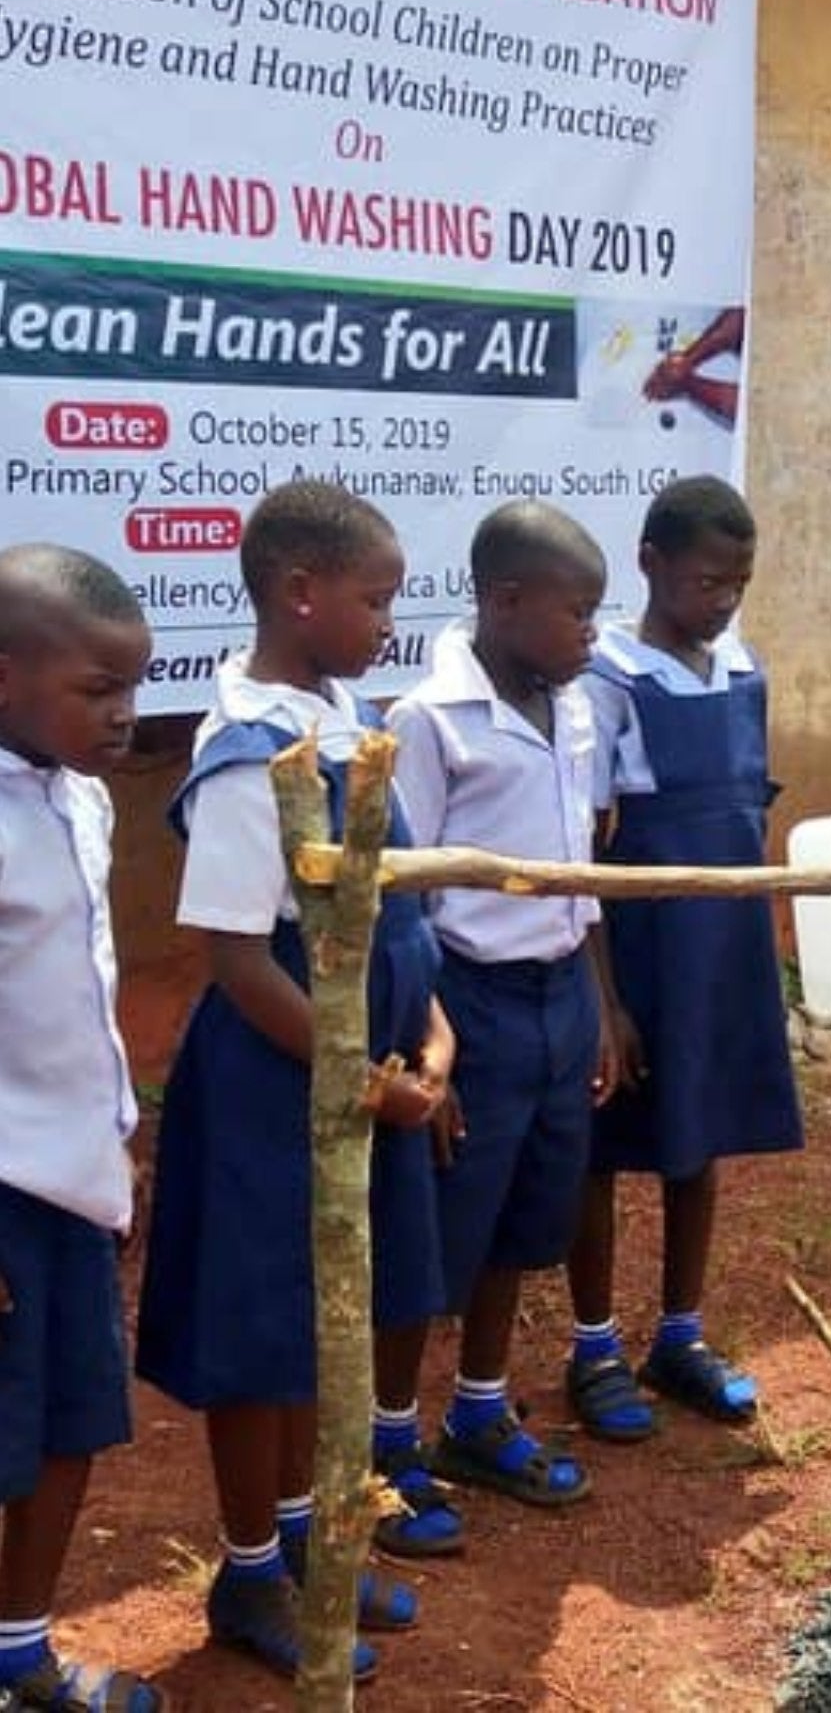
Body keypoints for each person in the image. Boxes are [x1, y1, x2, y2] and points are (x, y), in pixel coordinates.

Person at [136, 484, 463, 1683]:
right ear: (300, 593)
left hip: (365, 1070)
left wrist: (430, 1035)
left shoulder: (347, 714)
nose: (390, 621)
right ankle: (251, 1573)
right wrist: (361, 1078)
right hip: (279, 1082)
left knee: (336, 1324)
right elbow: (234, 958)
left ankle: (308, 1546)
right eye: (375, 599)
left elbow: (394, 910)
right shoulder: (246, 755)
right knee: (267, 1331)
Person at [388, 500, 623, 1511]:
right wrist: (421, 1047)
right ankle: (388, 1438)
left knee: (533, 1211)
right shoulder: (428, 720)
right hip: (465, 1002)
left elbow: (585, 870)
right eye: (577, 611)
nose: (591, 633)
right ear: (505, 600)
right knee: (440, 1225)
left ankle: (480, 1411)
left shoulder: (578, 708)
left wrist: (603, 1003)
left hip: (561, 992)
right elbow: (402, 901)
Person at [563, 476, 792, 1441]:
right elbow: (584, 850)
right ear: (650, 562)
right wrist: (602, 999)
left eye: (738, 583)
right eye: (706, 581)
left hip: (723, 939)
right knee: (608, 1143)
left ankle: (681, 1334)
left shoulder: (743, 667)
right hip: (641, 942)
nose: (722, 601)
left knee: (701, 1135)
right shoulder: (605, 681)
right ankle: (593, 1343)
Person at [0, 546, 160, 1713]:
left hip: (76, 1183)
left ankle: (22, 1654)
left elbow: (82, 991)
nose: (123, 715)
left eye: (133, 689)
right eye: (96, 690)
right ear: (6, 679)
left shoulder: (87, 801)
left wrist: (116, 1137)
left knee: (70, 1429)